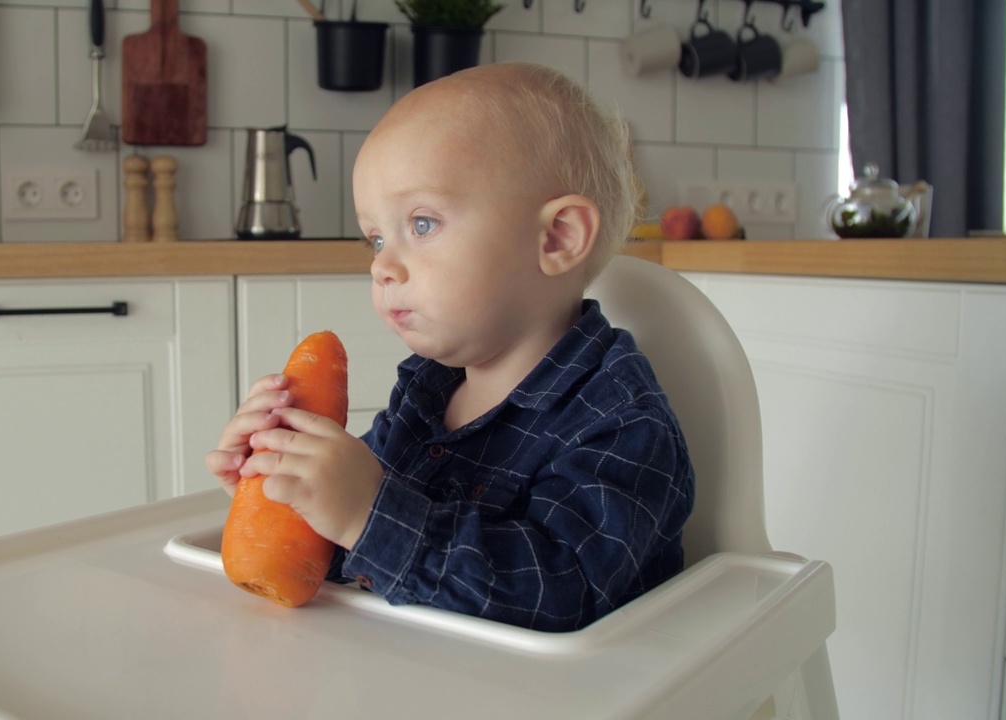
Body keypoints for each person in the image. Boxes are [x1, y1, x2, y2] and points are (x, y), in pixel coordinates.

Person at [206, 62, 694, 633]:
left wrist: (368, 513)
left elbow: (564, 596)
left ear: (557, 237)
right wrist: (281, 491)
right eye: (377, 238)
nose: (382, 266)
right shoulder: (423, 395)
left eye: (422, 223)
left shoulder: (620, 423)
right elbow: (359, 560)